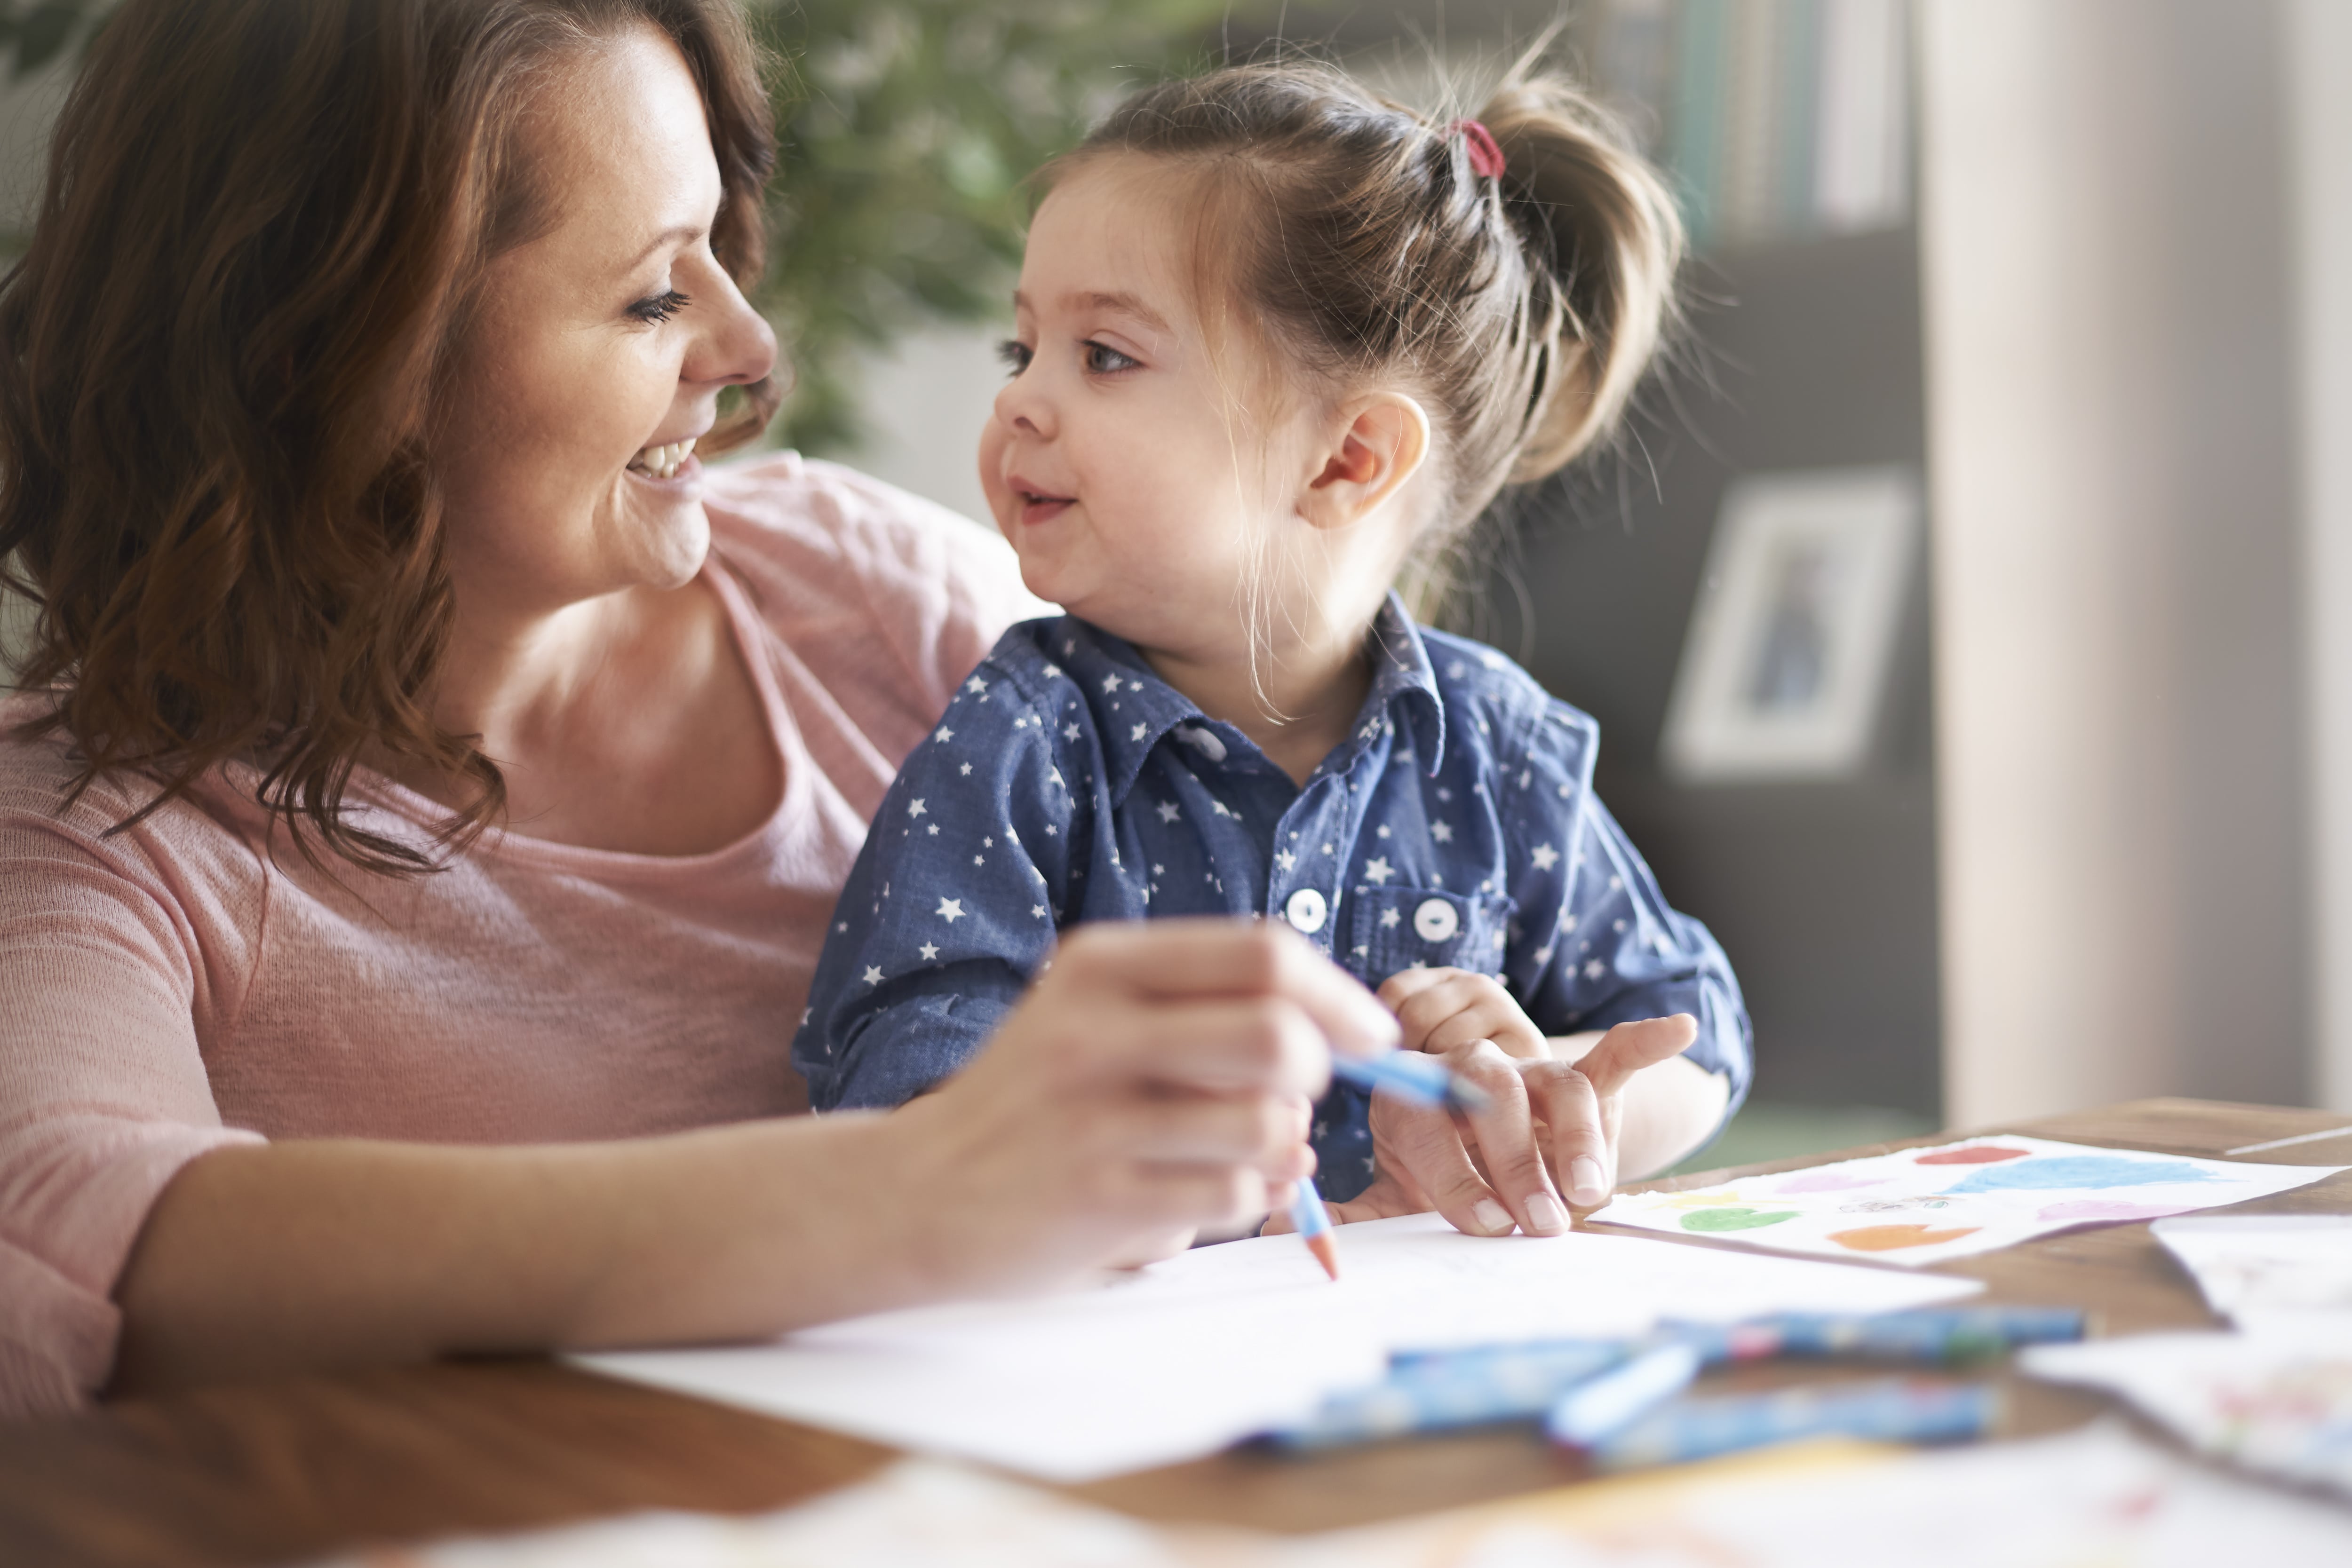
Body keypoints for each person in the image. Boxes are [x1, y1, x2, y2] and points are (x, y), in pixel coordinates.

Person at [0, 0, 1401, 1418]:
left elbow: (1327, 862)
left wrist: (1464, 1059)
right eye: (655, 294)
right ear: (349, 359)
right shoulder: (92, 827)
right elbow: (73, 1233)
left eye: (718, 249)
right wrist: (917, 1186)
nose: (748, 344)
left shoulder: (876, 602)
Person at [795, 60, 1750, 1245]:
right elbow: (902, 1074)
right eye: (1020, 349)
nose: (1019, 405)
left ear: (1348, 460)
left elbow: (1692, 1034)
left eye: (1103, 356)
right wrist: (1099, 1150)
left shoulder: (1498, 747)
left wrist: (1546, 1094)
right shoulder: (1024, 731)